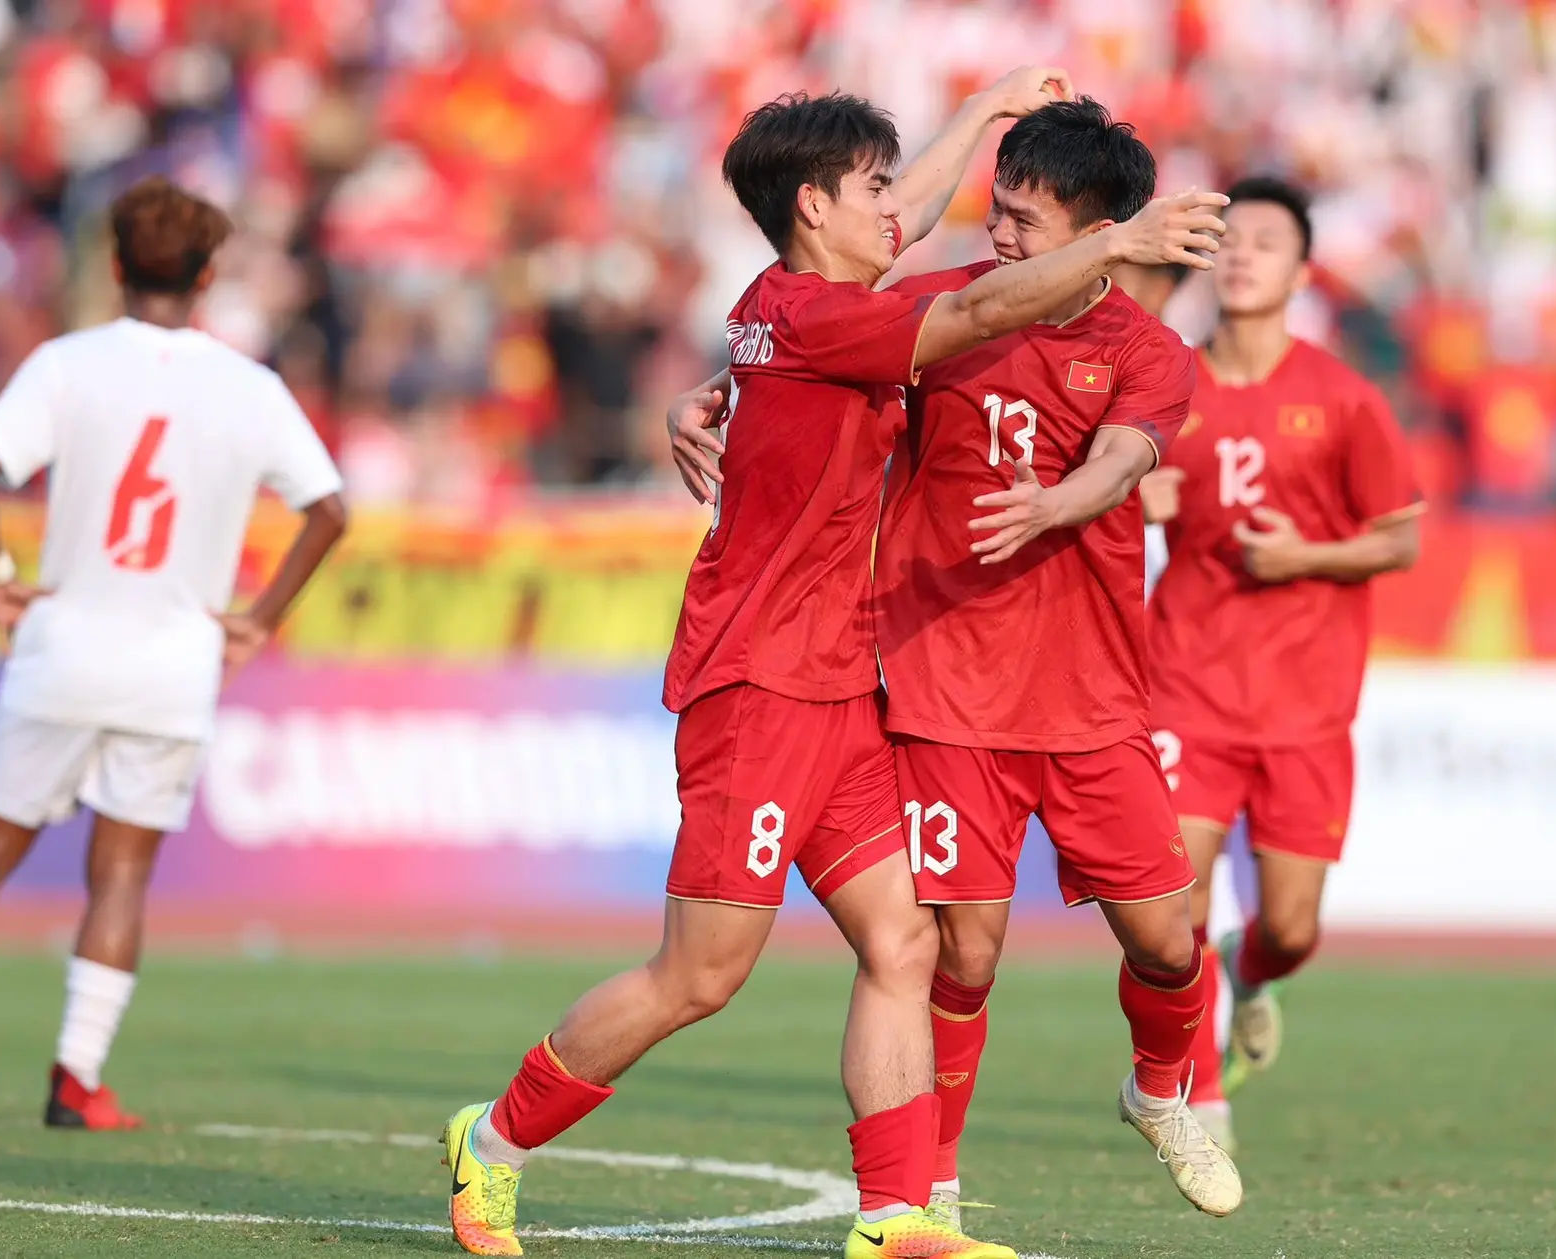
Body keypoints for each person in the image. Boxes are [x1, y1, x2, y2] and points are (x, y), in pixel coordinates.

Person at [446, 78, 1225, 1259]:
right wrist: (1118, 239)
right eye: (876, 191)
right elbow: (975, 313)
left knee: (906, 944)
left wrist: (983, 110)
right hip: (759, 686)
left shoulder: (798, 301)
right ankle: (494, 1143)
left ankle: (898, 1215)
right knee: (699, 977)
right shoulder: (825, 318)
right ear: (816, 206)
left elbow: (905, 242)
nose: (905, 214)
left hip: (846, 688)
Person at [671, 99, 1240, 1226]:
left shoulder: (1150, 353)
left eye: (1032, 222)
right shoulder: (947, 310)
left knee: (1168, 939)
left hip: (1090, 700)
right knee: (956, 954)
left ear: (1101, 230)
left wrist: (1058, 504)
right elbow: (806, 352)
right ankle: (925, 1198)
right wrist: (712, 393)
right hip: (939, 687)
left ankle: (1160, 1088)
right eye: (1004, 212)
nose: (1005, 238)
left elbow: (1126, 459)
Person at [0, 177, 348, 1130]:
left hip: (63, 644)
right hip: (173, 662)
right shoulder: (248, 387)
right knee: (121, 874)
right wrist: (257, 617)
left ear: (118, 266)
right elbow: (329, 510)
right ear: (208, 275)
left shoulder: (66, 362)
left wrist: (1, 571)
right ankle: (74, 1078)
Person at [1141, 176, 1423, 1148]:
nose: (1243, 253)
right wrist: (1128, 495)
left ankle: (1252, 970)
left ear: (1302, 271)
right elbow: (1083, 483)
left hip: (1305, 703)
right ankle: (1200, 1099)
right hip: (1184, 683)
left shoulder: (1343, 399)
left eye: (1267, 240)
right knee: (1168, 903)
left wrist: (1304, 556)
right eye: (1230, 238)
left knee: (1293, 927)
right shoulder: (1162, 383)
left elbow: (1401, 536)